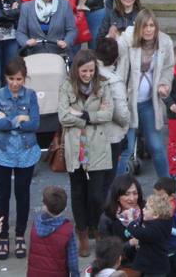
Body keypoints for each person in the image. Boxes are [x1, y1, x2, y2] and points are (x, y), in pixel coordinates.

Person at [56, 50, 113, 259]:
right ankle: (81, 232)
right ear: (76, 70)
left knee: (97, 194)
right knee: (78, 191)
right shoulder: (66, 86)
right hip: (75, 145)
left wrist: (81, 114)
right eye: (84, 71)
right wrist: (88, 119)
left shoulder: (104, 85)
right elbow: (63, 117)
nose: (88, 74)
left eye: (91, 70)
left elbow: (108, 114)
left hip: (97, 144)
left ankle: (96, 227)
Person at [0, 56, 41, 261]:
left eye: (19, 79)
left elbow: (35, 124)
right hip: (2, 152)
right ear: (5, 77)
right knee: (2, 196)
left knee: (23, 195)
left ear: (24, 78)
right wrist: (19, 119)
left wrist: (8, 120)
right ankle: (3, 237)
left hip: (26, 152)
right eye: (11, 79)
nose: (15, 83)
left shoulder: (31, 95)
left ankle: (20, 235)